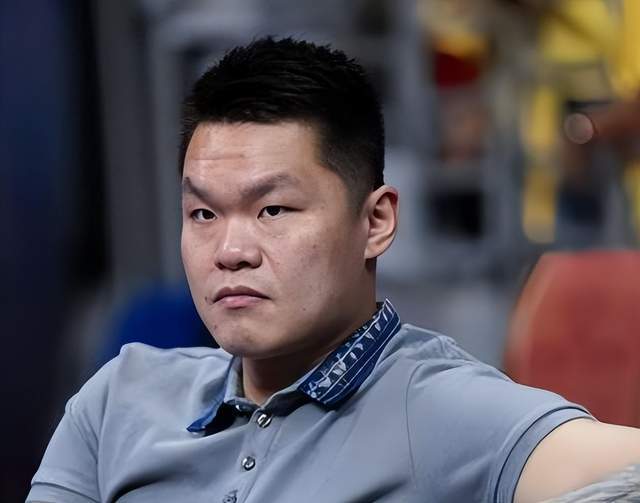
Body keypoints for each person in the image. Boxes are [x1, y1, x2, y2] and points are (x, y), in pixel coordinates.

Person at [28, 37, 640, 503]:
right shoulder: (121, 399)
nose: (230, 250)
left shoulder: (439, 411)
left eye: (272, 209)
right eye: (203, 213)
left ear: (375, 222)